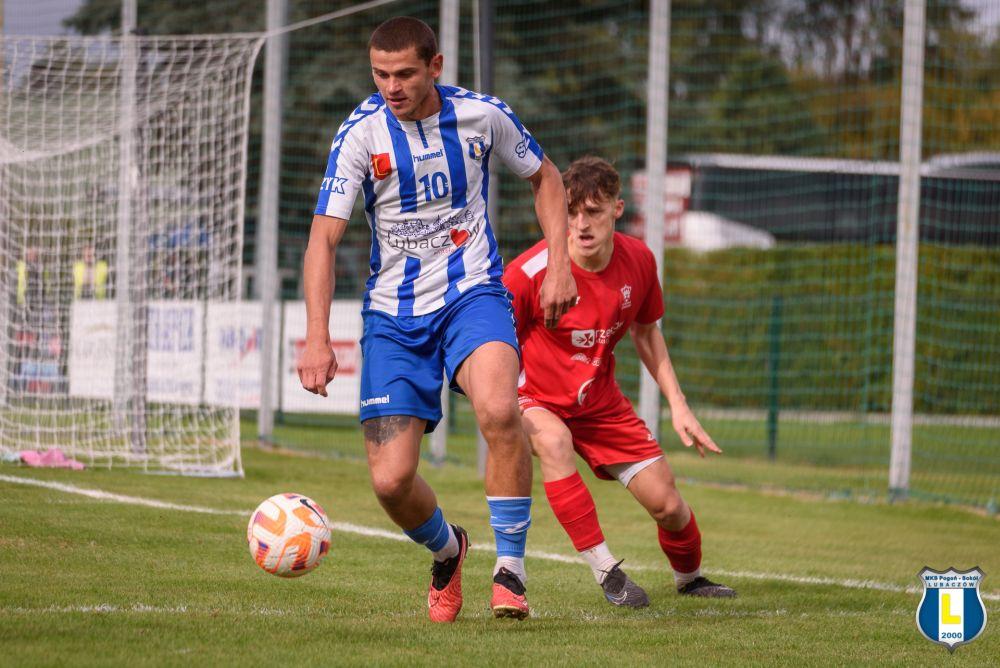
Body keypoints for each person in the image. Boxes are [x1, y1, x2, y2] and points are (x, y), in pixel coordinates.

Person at [297, 17, 577, 622]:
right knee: (392, 482)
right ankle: (449, 551)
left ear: (436, 67)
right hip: (393, 318)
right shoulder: (359, 135)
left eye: (403, 74)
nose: (391, 86)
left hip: (471, 294)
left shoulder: (484, 115)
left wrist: (559, 265)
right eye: (380, 74)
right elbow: (322, 240)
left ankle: (511, 572)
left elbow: (546, 178)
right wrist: (317, 335)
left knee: (501, 410)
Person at [502, 156, 735, 608]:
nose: (581, 224)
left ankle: (690, 579)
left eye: (593, 211)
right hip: (534, 397)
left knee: (668, 506)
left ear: (618, 209)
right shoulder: (529, 273)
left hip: (600, 403)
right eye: (571, 212)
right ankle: (607, 571)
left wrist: (679, 406)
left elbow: (647, 334)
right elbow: (491, 341)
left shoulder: (640, 261)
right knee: (554, 442)